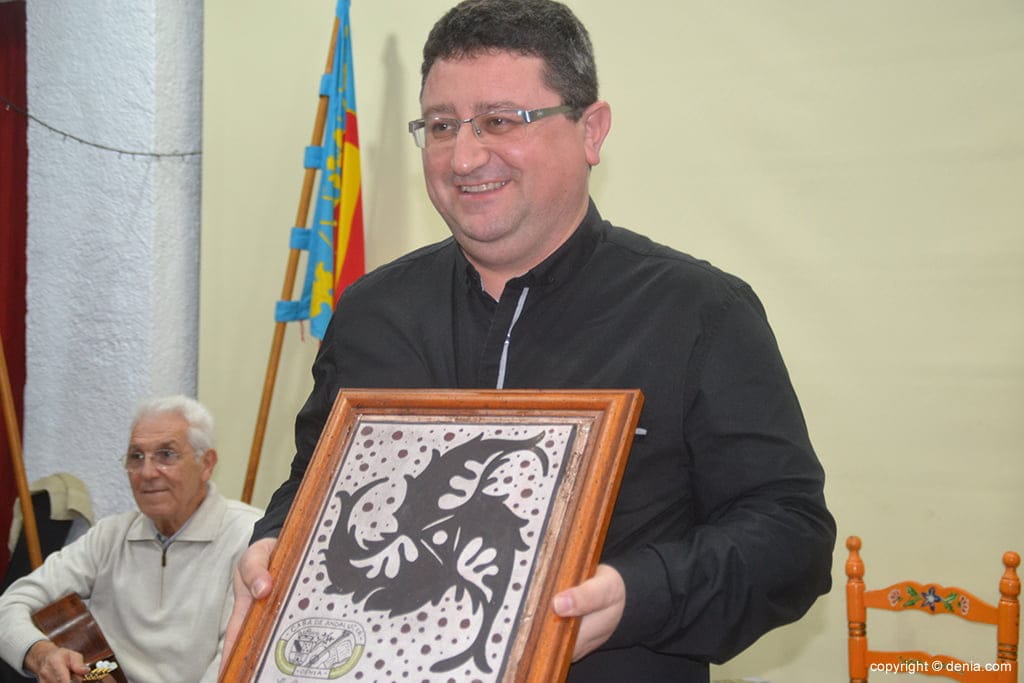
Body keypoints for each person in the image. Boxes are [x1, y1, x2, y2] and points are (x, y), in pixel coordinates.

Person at [227, 1, 837, 680]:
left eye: (500, 120)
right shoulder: (372, 311)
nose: (463, 155)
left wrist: (638, 592)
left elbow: (792, 535)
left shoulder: (699, 312)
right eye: (440, 125)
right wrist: (274, 540)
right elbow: (316, 483)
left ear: (591, 130)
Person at [0, 396, 263, 683]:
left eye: (166, 455)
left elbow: (240, 659)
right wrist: (41, 654)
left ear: (206, 464)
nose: (147, 472)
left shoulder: (251, 537)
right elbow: (8, 605)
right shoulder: (109, 536)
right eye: (136, 457)